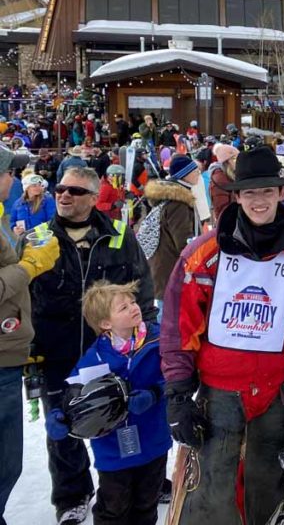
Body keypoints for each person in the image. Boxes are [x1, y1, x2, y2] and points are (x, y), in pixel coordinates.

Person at [160, 147, 284, 524]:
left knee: (267, 482)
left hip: (276, 386)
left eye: (266, 191)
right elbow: (178, 324)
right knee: (215, 488)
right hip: (221, 390)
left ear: (280, 193)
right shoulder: (206, 252)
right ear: (236, 196)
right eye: (250, 193)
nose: (258, 201)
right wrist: (179, 391)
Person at [33, 166, 155, 524]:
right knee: (63, 427)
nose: (63, 195)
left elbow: (141, 286)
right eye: (59, 189)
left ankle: (138, 481)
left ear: (91, 197)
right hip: (57, 349)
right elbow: (25, 296)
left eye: (73, 190)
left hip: (114, 350)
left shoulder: (118, 233)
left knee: (126, 415)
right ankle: (72, 494)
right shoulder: (40, 237)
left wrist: (145, 335)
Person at [45, 281, 171, 525]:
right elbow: (75, 394)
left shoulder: (158, 342)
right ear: (105, 324)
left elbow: (176, 380)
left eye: (133, 302)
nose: (134, 307)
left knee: (147, 504)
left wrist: (155, 394)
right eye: (123, 307)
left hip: (153, 443)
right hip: (113, 450)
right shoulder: (95, 357)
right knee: (113, 506)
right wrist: (60, 417)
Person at [0, 147, 60, 525]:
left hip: (9, 351)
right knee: (5, 465)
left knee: (9, 465)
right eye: (10, 172)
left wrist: (25, 248)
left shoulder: (3, 215)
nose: (16, 180)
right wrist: (28, 266)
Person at [142, 155, 200, 307]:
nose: (198, 173)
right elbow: (183, 242)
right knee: (168, 317)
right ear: (184, 175)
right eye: (194, 171)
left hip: (162, 266)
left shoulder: (172, 198)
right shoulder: (178, 203)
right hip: (170, 269)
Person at [208, 142, 239, 222]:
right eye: (235, 158)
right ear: (227, 161)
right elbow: (222, 210)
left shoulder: (232, 174)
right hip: (229, 225)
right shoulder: (220, 179)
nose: (238, 161)